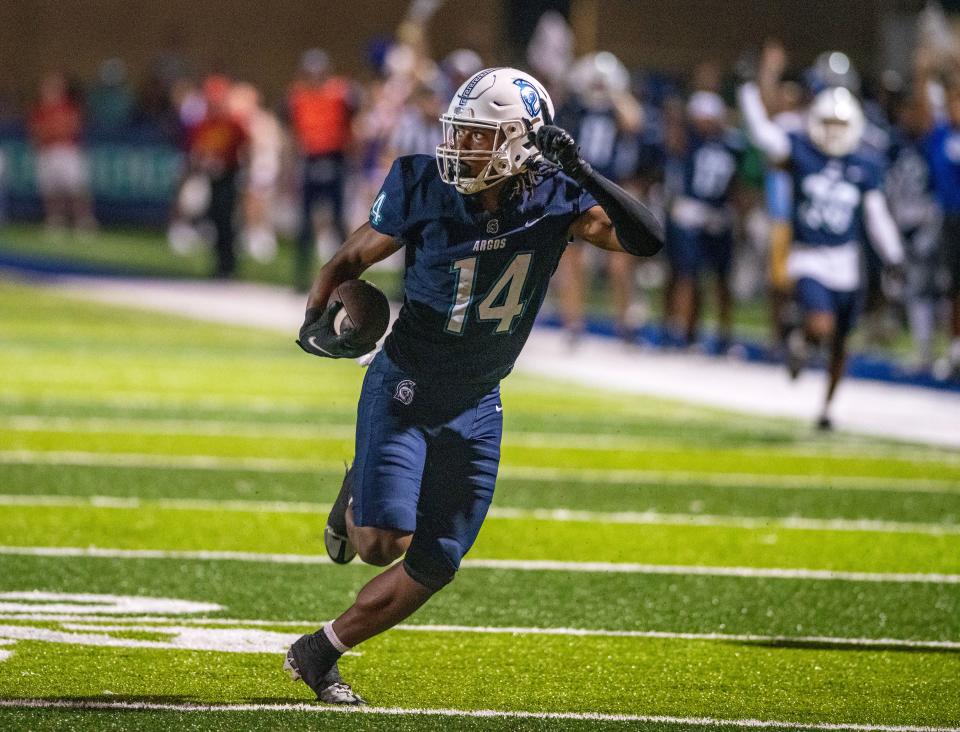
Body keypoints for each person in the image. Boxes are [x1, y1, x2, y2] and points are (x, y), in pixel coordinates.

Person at [287, 67, 663, 704]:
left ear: (522, 143)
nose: (460, 149)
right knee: (380, 545)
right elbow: (349, 259)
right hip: (406, 383)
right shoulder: (423, 183)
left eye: (480, 137)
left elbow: (647, 239)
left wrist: (586, 172)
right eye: (459, 134)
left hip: (479, 399)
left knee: (438, 561)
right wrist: (313, 320)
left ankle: (319, 652)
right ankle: (359, 499)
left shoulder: (555, 196)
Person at [738, 78, 904, 430]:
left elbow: (876, 215)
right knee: (821, 324)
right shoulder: (802, 149)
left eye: (839, 124)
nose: (832, 131)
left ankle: (827, 408)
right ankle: (802, 338)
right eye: (827, 123)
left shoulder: (864, 163)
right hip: (809, 255)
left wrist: (894, 255)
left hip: (846, 260)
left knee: (841, 343)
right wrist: (748, 92)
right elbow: (763, 135)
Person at [663, 90, 745, 350]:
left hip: (718, 215)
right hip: (691, 212)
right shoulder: (688, 139)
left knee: (721, 279)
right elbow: (673, 129)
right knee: (686, 275)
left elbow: (738, 183)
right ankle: (680, 332)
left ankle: (723, 336)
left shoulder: (732, 144)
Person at [287, 49, 359, 292]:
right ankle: (301, 276)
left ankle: (344, 274)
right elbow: (293, 127)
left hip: (335, 157)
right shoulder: (299, 96)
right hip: (310, 158)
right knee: (305, 222)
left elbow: (354, 117)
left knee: (338, 219)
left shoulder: (340, 94)